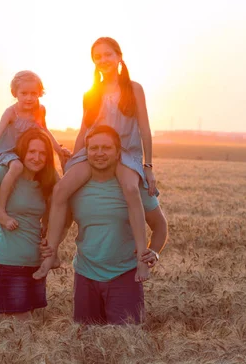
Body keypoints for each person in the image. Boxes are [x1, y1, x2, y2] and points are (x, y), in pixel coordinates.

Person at [43, 37, 157, 283]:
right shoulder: (90, 93)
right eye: (98, 56)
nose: (103, 60)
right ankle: (50, 254)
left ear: (119, 56)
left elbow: (145, 130)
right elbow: (84, 131)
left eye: (108, 55)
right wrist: (73, 160)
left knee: (129, 188)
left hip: (126, 152)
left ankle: (141, 259)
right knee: (62, 189)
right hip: (94, 151)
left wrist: (148, 167)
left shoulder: (134, 88)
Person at [34, 125, 168, 325]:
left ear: (118, 153)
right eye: (93, 148)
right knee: (87, 344)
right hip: (85, 275)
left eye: (106, 148)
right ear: (85, 152)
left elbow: (160, 226)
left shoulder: (135, 186)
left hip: (125, 276)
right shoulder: (75, 186)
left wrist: (154, 252)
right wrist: (50, 246)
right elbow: (64, 223)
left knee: (126, 345)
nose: (99, 153)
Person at [0, 128, 58, 320]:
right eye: (32, 152)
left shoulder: (45, 182)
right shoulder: (6, 172)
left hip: (35, 266)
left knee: (29, 332)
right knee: (22, 330)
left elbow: (61, 206)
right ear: (23, 151)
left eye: (42, 153)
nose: (37, 157)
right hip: (9, 264)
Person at [0, 70, 70, 232]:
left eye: (34, 93)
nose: (29, 98)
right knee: (16, 167)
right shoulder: (11, 112)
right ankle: (0, 210)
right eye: (24, 93)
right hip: (8, 152)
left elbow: (44, 129)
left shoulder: (39, 110)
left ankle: (46, 220)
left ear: (39, 93)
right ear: (15, 93)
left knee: (55, 180)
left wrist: (58, 150)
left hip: (29, 153)